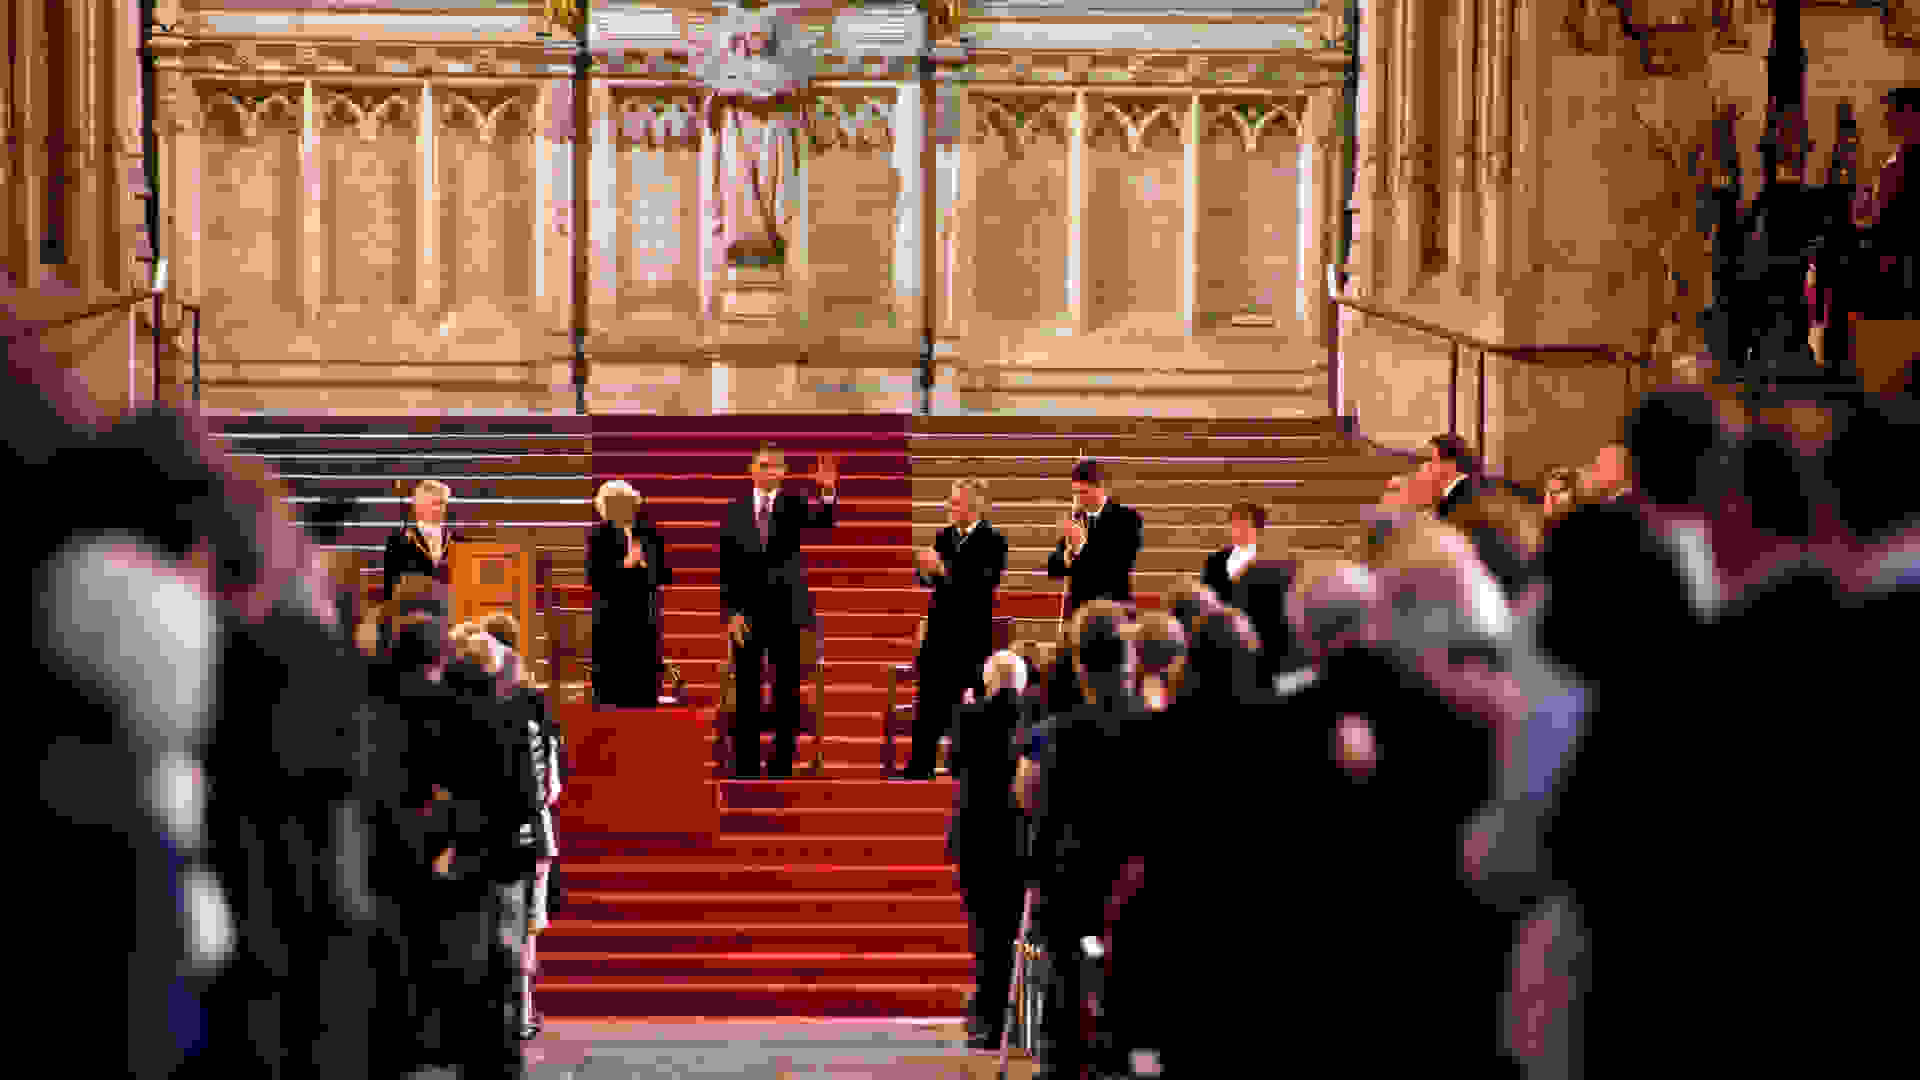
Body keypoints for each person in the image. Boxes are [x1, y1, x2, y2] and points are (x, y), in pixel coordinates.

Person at [1018, 600, 1147, 1080]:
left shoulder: (1062, 734)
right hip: (1138, 890)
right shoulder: (1155, 727)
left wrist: (1036, 876)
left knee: (1066, 1018)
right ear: (1130, 659)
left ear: (1080, 663)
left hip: (1074, 885)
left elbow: (1046, 817)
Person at [717, 444, 838, 779]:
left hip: (787, 612)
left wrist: (827, 492)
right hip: (747, 615)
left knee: (786, 689)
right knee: (747, 689)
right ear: (751, 470)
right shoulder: (735, 509)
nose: (769, 471)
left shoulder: (795, 503)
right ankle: (746, 765)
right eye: (764, 465)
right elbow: (727, 567)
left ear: (784, 473)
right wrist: (732, 612)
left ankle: (782, 762)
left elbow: (824, 523)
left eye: (776, 467)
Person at [946, 650, 1029, 1051]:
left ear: (989, 680)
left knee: (983, 932)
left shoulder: (969, 715)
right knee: (1014, 931)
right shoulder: (1035, 714)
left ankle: (986, 1023)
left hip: (975, 838)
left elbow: (954, 762)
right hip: (1017, 839)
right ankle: (1018, 1024)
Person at [906, 479, 1008, 781]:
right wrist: (925, 572)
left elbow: (982, 584)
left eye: (957, 502)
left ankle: (968, 771)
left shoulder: (993, 541)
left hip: (972, 638)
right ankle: (919, 768)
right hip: (939, 633)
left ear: (975, 505)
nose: (952, 508)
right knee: (928, 705)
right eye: (951, 502)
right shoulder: (943, 536)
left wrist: (943, 571)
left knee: (972, 709)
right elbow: (930, 582)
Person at [587, 479, 672, 709]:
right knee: (612, 674)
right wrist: (624, 565)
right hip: (612, 616)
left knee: (644, 670)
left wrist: (646, 564)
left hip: (643, 613)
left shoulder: (649, 532)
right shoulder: (599, 536)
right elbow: (594, 577)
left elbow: (666, 573)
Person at [1045, 459, 1145, 618]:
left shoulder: (1128, 519)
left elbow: (1117, 566)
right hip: (1079, 614)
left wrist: (1081, 547)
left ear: (1101, 488)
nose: (1079, 499)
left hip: (1114, 612)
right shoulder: (1076, 519)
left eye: (1084, 492)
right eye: (1076, 493)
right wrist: (1067, 556)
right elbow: (1053, 569)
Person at [383, 479, 457, 603]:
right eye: (435, 503)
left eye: (443, 503)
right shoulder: (399, 541)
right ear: (418, 506)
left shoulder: (455, 539)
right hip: (412, 607)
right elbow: (391, 584)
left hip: (450, 605)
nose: (441, 509)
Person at [1421, 434, 1487, 520]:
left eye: (1431, 459)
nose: (1425, 465)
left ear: (1451, 463)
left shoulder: (1466, 492)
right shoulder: (1448, 487)